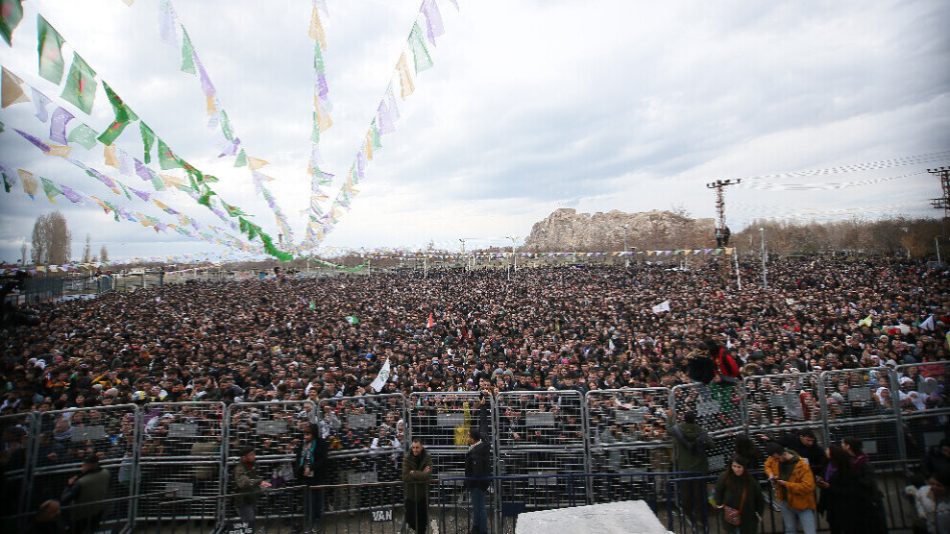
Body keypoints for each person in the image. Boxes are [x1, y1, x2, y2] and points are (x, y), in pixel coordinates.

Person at [817, 445, 885, 534]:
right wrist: (821, 482)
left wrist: (829, 487)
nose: (825, 451)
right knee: (834, 527)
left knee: (848, 528)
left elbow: (850, 489)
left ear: (833, 453)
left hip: (845, 506)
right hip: (831, 505)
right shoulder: (827, 465)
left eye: (827, 449)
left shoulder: (846, 468)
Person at [764, 442, 817, 534]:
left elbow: (808, 486)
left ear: (783, 454)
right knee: (789, 530)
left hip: (803, 503)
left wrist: (786, 484)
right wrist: (771, 474)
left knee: (809, 531)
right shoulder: (775, 458)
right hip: (786, 502)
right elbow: (767, 465)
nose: (777, 461)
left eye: (777, 458)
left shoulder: (802, 465)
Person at [671, 412, 710, 524]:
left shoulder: (678, 430)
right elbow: (712, 445)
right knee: (700, 494)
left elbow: (669, 428)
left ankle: (687, 517)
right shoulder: (701, 431)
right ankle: (701, 519)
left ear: (684, 419)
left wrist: (669, 417)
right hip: (700, 468)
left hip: (685, 467)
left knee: (686, 493)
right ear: (695, 419)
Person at [60, 454, 110, 534]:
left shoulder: (81, 482)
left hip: (81, 515)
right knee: (93, 529)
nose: (82, 466)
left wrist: (69, 486)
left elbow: (64, 499)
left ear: (88, 465)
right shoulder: (106, 472)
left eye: (83, 465)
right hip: (98, 509)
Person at [714, 456, 765, 534]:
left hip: (747, 518)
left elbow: (759, 498)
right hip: (730, 518)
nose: (736, 469)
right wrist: (719, 505)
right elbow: (717, 492)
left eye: (739, 467)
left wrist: (759, 513)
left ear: (744, 467)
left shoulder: (750, 481)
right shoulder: (724, 477)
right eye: (734, 466)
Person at [296, 424, 329, 532]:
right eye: (304, 434)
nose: (305, 436)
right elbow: (298, 459)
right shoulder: (303, 445)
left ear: (313, 434)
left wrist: (311, 467)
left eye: (308, 434)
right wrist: (301, 469)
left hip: (318, 477)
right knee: (308, 501)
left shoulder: (321, 443)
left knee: (318, 500)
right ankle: (309, 522)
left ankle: (317, 522)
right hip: (306, 478)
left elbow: (323, 460)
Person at [234, 446, 271, 529]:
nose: (254, 456)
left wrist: (261, 485)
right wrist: (259, 481)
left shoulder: (252, 466)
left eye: (254, 454)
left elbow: (254, 481)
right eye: (251, 454)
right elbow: (244, 483)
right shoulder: (240, 469)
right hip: (243, 500)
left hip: (251, 498)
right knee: (248, 524)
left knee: (251, 523)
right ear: (244, 457)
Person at [402, 438, 433, 533]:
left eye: (417, 447)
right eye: (413, 447)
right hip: (411, 495)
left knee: (422, 524)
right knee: (412, 521)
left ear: (422, 447)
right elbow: (405, 477)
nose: (415, 450)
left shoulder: (427, 457)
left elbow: (428, 475)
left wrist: (413, 473)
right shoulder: (407, 457)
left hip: (423, 495)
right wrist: (422, 474)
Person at [465, 429, 491, 534]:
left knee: (480, 508)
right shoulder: (479, 448)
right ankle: (476, 528)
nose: (467, 438)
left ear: (473, 439)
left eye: (468, 436)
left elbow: (477, 471)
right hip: (479, 483)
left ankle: (482, 531)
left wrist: (470, 480)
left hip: (477, 484)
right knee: (477, 508)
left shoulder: (476, 452)